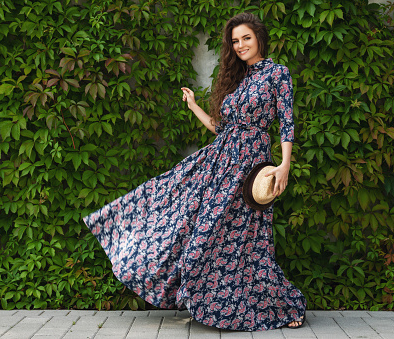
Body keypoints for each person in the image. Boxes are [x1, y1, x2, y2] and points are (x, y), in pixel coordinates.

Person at [83, 12, 306, 331]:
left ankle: (284, 306)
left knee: (250, 241)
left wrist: (284, 165)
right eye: (235, 41)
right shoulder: (237, 77)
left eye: (246, 38)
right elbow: (223, 129)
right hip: (218, 164)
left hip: (251, 169)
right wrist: (195, 107)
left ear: (259, 37)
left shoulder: (276, 74)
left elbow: (286, 122)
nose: (240, 45)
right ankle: (216, 303)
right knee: (182, 212)